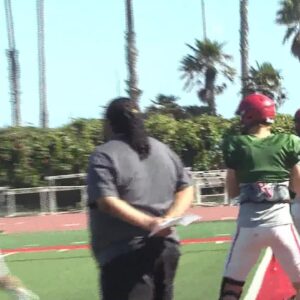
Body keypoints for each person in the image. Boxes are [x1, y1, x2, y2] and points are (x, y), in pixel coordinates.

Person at [87, 97, 194, 300]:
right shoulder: (164, 150)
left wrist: (150, 223)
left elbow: (106, 201)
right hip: (166, 248)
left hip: (125, 253)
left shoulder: (104, 155)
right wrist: (169, 218)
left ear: (109, 124)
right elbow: (186, 188)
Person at [218, 92, 300, 300]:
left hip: (248, 227)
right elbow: (299, 185)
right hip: (281, 226)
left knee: (231, 289)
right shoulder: (288, 142)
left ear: (249, 116)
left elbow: (233, 192)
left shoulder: (235, 144)